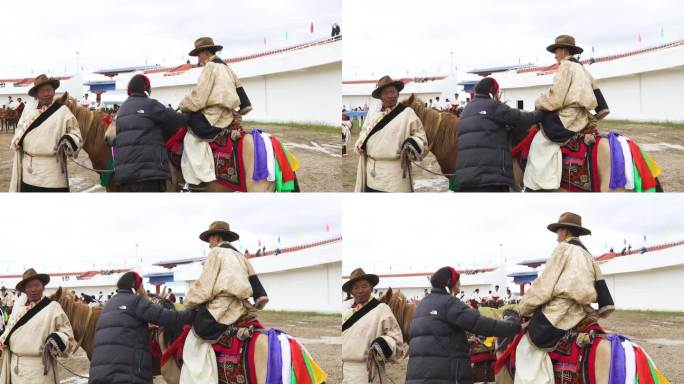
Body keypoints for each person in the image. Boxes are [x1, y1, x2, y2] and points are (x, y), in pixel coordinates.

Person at [514, 212, 614, 383]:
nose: (557, 238)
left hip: (560, 313)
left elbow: (544, 287)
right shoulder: (588, 255)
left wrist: (521, 308)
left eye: (558, 232)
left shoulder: (563, 249)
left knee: (526, 348)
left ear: (565, 232)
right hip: (582, 312)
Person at [180, 220, 268, 383]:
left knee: (194, 342)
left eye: (209, 239)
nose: (208, 244)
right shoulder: (240, 256)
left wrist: (189, 302)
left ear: (216, 237)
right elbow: (257, 286)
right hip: (240, 308)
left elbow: (205, 287)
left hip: (220, 310)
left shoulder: (216, 253)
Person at [405, 267, 521, 384]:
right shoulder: (449, 303)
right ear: (449, 283)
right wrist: (515, 327)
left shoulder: (422, 305)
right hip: (443, 376)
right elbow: (479, 324)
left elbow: (434, 337)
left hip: (418, 375)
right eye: (458, 283)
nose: (459, 287)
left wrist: (465, 341)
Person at [523, 35, 607, 191]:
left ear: (562, 50)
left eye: (556, 51)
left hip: (567, 119)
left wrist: (538, 102)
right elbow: (600, 102)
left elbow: (556, 98)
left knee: (540, 142)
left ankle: (540, 185)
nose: (555, 56)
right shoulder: (582, 68)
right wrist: (599, 112)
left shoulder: (565, 66)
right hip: (581, 117)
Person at [89, 272, 195, 384]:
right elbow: (165, 317)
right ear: (135, 287)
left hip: (99, 375)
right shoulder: (136, 301)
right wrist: (192, 315)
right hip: (128, 376)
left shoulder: (108, 305)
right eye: (142, 286)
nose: (144, 290)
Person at [178, 36, 252, 187]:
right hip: (228, 115)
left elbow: (199, 97)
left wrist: (183, 105)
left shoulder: (210, 67)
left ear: (205, 52)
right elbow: (245, 103)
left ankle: (197, 180)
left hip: (213, 115)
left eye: (198, 54)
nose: (198, 58)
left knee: (190, 137)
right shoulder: (227, 68)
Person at [453, 77, 544, 192]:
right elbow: (520, 118)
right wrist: (542, 114)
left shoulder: (466, 110)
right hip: (490, 180)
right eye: (497, 92)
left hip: (464, 180)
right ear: (491, 92)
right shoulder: (493, 106)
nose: (498, 95)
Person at [0, 268, 75, 383]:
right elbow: (7, 335)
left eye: (36, 285)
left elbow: (68, 336)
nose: (33, 289)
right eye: (29, 286)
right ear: (25, 290)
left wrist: (56, 338)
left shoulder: (53, 307)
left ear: (43, 286)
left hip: (40, 370)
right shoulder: (18, 311)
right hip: (16, 370)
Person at [9, 74, 82, 192]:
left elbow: (76, 133)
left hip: (53, 172)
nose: (47, 93)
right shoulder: (28, 111)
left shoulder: (63, 111)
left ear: (54, 92)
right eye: (43, 91)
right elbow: (20, 129)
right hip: (29, 171)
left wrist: (68, 139)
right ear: (37, 94)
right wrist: (17, 139)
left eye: (49, 90)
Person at [354, 76, 428, 192]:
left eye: (393, 91)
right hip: (372, 174)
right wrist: (360, 143)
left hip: (396, 176)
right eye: (386, 93)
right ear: (380, 97)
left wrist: (411, 143)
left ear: (398, 93)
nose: (390, 95)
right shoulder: (373, 113)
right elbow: (364, 131)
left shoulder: (407, 113)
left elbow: (420, 136)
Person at [113, 74, 185, 192]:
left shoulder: (122, 110)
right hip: (148, 176)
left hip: (124, 177)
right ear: (145, 90)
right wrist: (189, 114)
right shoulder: (150, 104)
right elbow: (176, 120)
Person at [342, 268, 406, 383]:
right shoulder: (344, 310)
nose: (360, 290)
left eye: (364, 286)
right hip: (347, 372)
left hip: (369, 371)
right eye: (356, 288)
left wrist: (383, 343)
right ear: (351, 291)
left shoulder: (381, 309)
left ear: (371, 288)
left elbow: (396, 339)